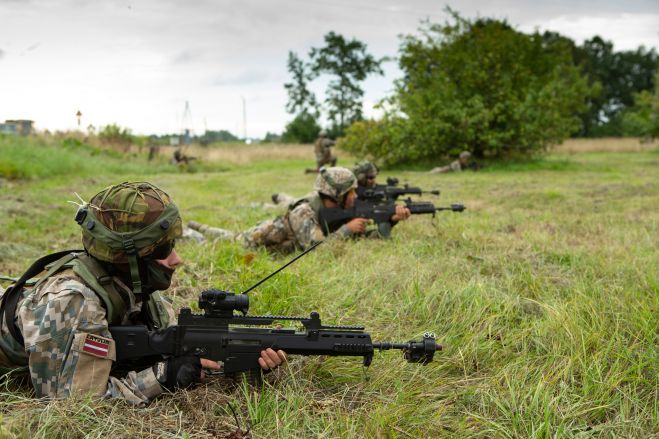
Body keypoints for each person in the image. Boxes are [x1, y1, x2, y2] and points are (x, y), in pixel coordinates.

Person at [0, 182, 285, 406]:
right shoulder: (74, 302)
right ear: (127, 258)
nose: (176, 259)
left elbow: (180, 349)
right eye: (162, 251)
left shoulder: (135, 287)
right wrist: (162, 377)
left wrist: (240, 356)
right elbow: (74, 403)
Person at [188, 167, 411, 253]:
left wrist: (391, 220)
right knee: (224, 241)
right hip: (258, 240)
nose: (355, 196)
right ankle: (193, 229)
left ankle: (199, 227)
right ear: (336, 194)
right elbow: (318, 251)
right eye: (351, 192)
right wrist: (347, 230)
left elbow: (370, 238)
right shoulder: (304, 211)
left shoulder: (335, 210)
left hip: (283, 244)